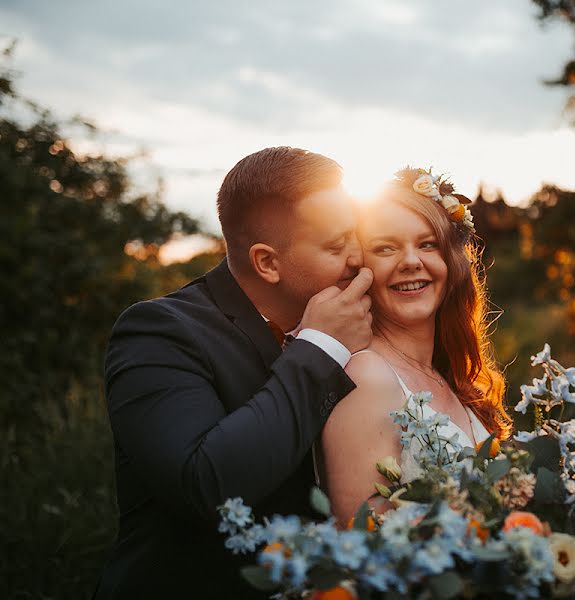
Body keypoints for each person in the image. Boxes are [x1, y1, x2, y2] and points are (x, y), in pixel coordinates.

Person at [95, 147, 373, 599]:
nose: (359, 257)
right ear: (267, 262)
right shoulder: (160, 333)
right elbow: (206, 485)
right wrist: (321, 347)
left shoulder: (357, 322)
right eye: (336, 245)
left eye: (356, 236)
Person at [318, 167, 512, 523]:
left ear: (451, 262)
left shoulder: (448, 375)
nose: (411, 261)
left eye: (427, 244)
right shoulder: (367, 376)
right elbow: (365, 541)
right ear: (362, 268)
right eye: (386, 248)